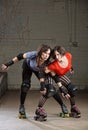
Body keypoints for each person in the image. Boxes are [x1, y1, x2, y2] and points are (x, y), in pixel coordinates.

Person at [1, 44, 69, 119]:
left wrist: (61, 87)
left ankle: (62, 105)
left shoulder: (48, 61)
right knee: (25, 86)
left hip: (40, 71)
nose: (47, 55)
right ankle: (21, 106)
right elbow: (20, 56)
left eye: (48, 53)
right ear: (40, 52)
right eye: (45, 53)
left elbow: (53, 75)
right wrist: (8, 64)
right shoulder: (34, 54)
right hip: (28, 66)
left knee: (50, 89)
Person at [38, 45, 81, 118]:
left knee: (72, 89)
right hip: (51, 75)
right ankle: (39, 109)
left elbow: (69, 63)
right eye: (55, 55)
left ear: (63, 53)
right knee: (50, 91)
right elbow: (43, 71)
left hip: (59, 75)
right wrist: (42, 84)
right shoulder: (54, 64)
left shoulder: (69, 55)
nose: (57, 57)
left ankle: (73, 107)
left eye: (58, 54)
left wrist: (71, 68)